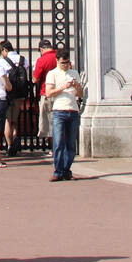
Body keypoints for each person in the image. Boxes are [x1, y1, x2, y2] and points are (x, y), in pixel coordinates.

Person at [45, 48, 84, 182]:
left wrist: (77, 86)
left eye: (67, 62)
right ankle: (58, 171)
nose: (66, 65)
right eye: (63, 63)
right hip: (59, 110)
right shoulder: (52, 73)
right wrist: (63, 87)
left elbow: (80, 94)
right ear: (57, 61)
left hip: (73, 110)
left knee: (71, 144)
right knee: (58, 143)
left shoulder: (74, 73)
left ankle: (67, 170)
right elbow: (49, 93)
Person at [0, 39, 28, 156]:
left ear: (5, 50)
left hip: (9, 93)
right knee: (15, 119)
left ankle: (10, 145)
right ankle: (15, 137)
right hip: (20, 92)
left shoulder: (3, 61)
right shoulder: (23, 59)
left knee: (8, 120)